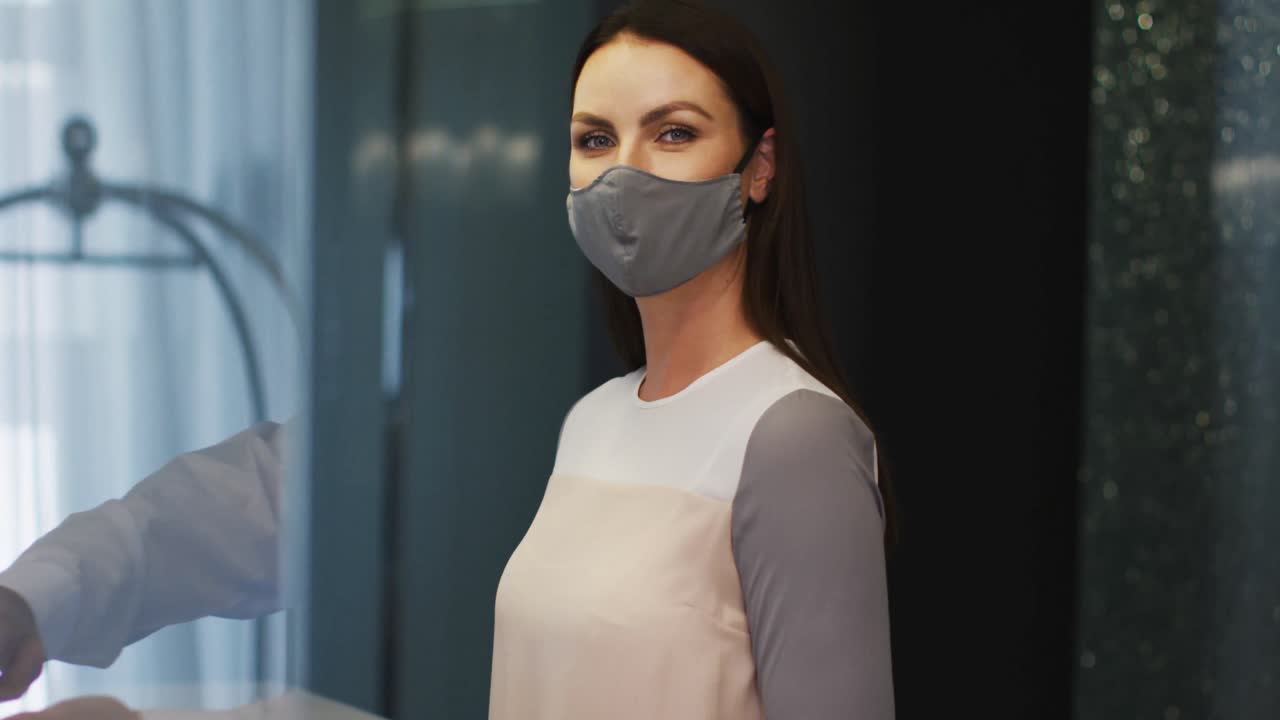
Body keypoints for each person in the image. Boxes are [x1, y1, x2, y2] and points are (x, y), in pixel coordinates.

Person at [0, 1, 894, 717]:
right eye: (594, 139)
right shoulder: (594, 422)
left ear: (758, 166)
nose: (625, 175)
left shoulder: (793, 438)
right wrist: (45, 598)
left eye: (673, 132)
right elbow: (294, 493)